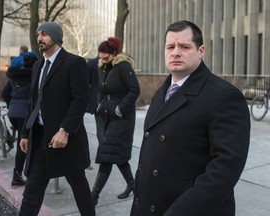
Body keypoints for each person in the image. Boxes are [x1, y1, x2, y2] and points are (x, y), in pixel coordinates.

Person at [130, 20, 250, 216]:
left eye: (184, 46)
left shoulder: (224, 96)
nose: (175, 52)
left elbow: (224, 170)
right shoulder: (162, 92)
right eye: (170, 46)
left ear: (201, 51)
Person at [18, 22, 95, 216]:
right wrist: (26, 133)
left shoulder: (74, 62)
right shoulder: (38, 65)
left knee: (79, 188)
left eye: (44, 34)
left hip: (66, 139)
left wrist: (65, 130)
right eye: (38, 34)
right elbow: (33, 102)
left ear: (56, 37)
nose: (39, 38)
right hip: (40, 139)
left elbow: (80, 100)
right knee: (32, 192)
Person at [91, 37, 140, 206]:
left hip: (123, 118)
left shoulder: (123, 67)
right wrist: (99, 104)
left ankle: (93, 196)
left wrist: (120, 109)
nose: (102, 60)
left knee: (106, 155)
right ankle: (132, 184)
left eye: (105, 57)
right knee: (116, 154)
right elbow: (101, 90)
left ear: (114, 54)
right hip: (107, 116)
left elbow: (135, 90)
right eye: (100, 57)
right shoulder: (103, 68)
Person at [1, 51, 38, 188]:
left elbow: (4, 93)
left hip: (13, 114)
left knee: (23, 144)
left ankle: (20, 175)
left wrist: (12, 105)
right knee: (26, 145)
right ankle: (19, 177)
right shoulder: (34, 76)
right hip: (26, 114)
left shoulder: (13, 77)